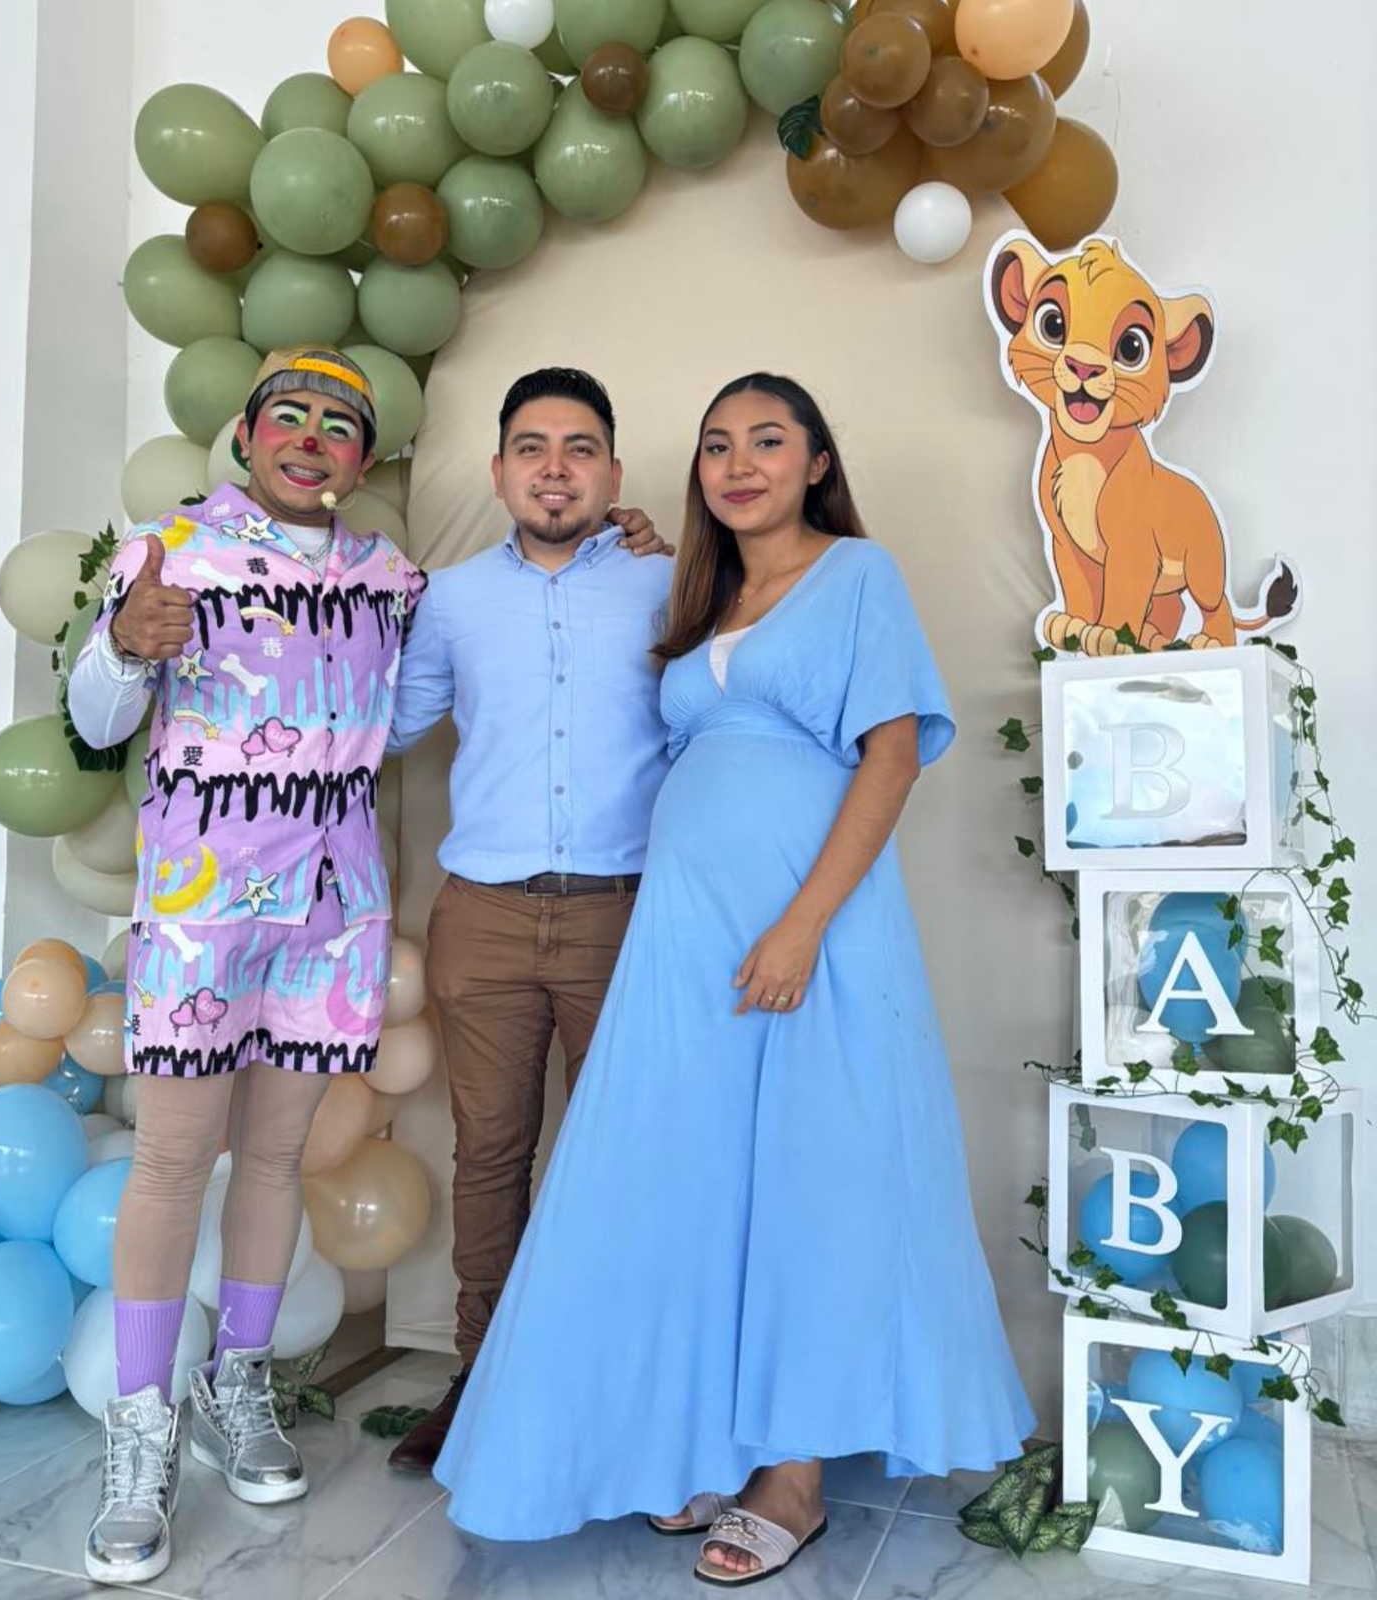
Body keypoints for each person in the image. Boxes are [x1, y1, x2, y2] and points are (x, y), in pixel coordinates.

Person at [433, 373, 1035, 1587]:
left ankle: (792, 1476)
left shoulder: (856, 575)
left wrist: (804, 924)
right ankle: (704, 1438)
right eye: (716, 445)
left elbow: (890, 755)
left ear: (817, 461)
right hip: (683, 932)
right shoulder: (693, 595)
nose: (738, 462)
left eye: (768, 439)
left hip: (807, 922)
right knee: (691, 1177)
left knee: (813, 1175)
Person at [66, 347, 425, 1586]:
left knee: (274, 1157)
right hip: (200, 912)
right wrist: (125, 643)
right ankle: (140, 1433)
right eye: (291, 416)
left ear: (361, 460)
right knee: (173, 1159)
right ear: (248, 433)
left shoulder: (390, 578)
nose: (311, 437)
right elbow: (98, 721)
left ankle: (241, 1382)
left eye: (338, 425)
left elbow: (433, 690)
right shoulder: (170, 551)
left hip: (330, 913)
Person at [382, 368, 673, 1474]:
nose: (556, 468)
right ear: (501, 471)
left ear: (612, 470)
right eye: (533, 448)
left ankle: (612, 1390)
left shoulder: (668, 584)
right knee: (490, 1155)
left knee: (620, 1161)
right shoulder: (450, 598)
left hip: (624, 917)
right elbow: (385, 728)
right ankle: (483, 1381)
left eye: (580, 448)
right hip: (485, 921)